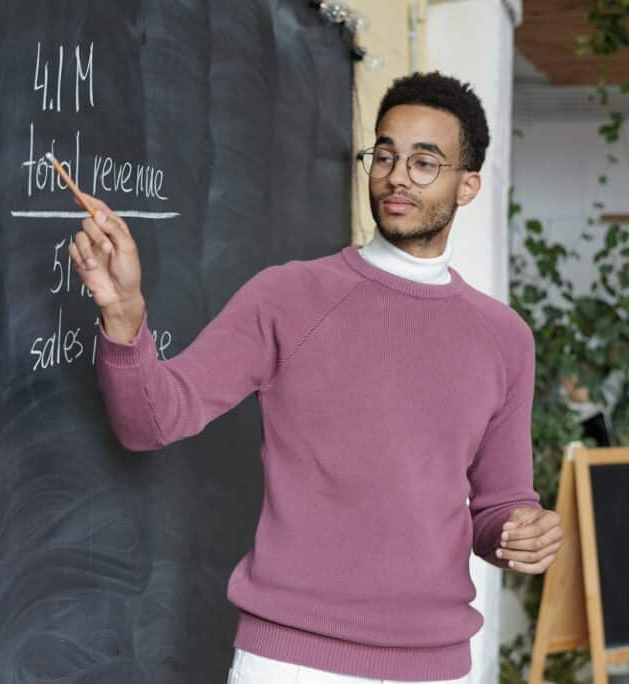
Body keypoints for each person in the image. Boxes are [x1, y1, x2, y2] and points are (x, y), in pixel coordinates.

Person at [67, 72, 563, 683]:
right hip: (289, 663)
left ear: (468, 186)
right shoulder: (289, 296)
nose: (397, 175)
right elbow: (152, 421)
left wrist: (523, 533)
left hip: (437, 669)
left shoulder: (504, 338)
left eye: (424, 162)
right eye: (384, 154)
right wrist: (123, 314)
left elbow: (499, 506)